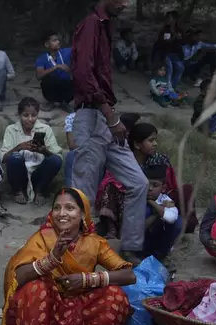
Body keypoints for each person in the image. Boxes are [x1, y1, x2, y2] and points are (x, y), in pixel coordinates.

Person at [2, 187, 136, 325]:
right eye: (57, 208)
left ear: (83, 214)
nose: (61, 213)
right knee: (34, 289)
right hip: (47, 311)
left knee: (115, 295)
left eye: (70, 208)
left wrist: (86, 279)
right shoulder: (42, 238)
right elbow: (17, 277)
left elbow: (129, 275)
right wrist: (52, 258)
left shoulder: (94, 243)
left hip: (81, 309)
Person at [70, 0, 148, 264]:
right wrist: (110, 115)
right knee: (84, 190)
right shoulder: (91, 24)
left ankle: (131, 247)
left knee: (139, 182)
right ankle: (78, 249)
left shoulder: (105, 26)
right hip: (93, 115)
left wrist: (112, 116)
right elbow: (82, 73)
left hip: (106, 115)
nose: (126, 4)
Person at [96, 117, 197, 243]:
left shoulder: (159, 159)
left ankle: (185, 224)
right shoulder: (124, 160)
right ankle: (112, 229)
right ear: (137, 144)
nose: (155, 144)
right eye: (151, 140)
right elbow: (110, 182)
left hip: (158, 196)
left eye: (155, 140)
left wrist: (159, 197)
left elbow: (170, 185)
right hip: (128, 197)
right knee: (110, 187)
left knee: (186, 191)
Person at [0, 97, 63, 206]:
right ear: (19, 114)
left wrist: (44, 151)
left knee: (55, 160)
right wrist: (19, 147)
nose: (30, 119)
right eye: (25, 115)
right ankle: (18, 190)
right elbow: (4, 158)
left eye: (34, 115)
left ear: (38, 114)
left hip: (38, 174)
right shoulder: (11, 129)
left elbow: (57, 157)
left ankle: (39, 191)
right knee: (14, 157)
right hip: (20, 174)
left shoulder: (45, 129)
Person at [142, 165, 182, 262]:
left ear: (163, 188)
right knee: (147, 211)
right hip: (141, 241)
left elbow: (171, 218)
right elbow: (138, 228)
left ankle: (160, 254)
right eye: (147, 185)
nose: (150, 188)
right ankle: (141, 254)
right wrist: (155, 211)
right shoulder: (138, 199)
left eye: (155, 185)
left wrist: (154, 205)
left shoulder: (165, 200)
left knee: (178, 221)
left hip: (158, 240)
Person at [35, 31, 73, 113]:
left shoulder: (66, 52)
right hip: (51, 87)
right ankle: (51, 101)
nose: (58, 42)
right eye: (54, 40)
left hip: (66, 85)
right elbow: (39, 76)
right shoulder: (41, 58)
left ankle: (65, 103)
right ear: (47, 44)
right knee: (47, 80)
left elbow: (80, 48)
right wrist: (56, 67)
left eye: (58, 40)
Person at [153, 10, 185, 89]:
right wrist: (173, 37)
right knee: (169, 69)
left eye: (169, 18)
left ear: (174, 19)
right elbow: (163, 42)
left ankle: (171, 87)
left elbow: (183, 42)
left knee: (180, 68)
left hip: (176, 54)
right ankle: (167, 88)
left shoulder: (179, 30)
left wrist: (180, 38)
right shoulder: (165, 30)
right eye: (166, 18)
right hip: (166, 53)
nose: (167, 19)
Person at [63, 113, 76, 186]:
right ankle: (70, 193)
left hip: (99, 150)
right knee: (71, 155)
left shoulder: (102, 114)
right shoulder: (72, 117)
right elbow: (72, 145)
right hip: (78, 151)